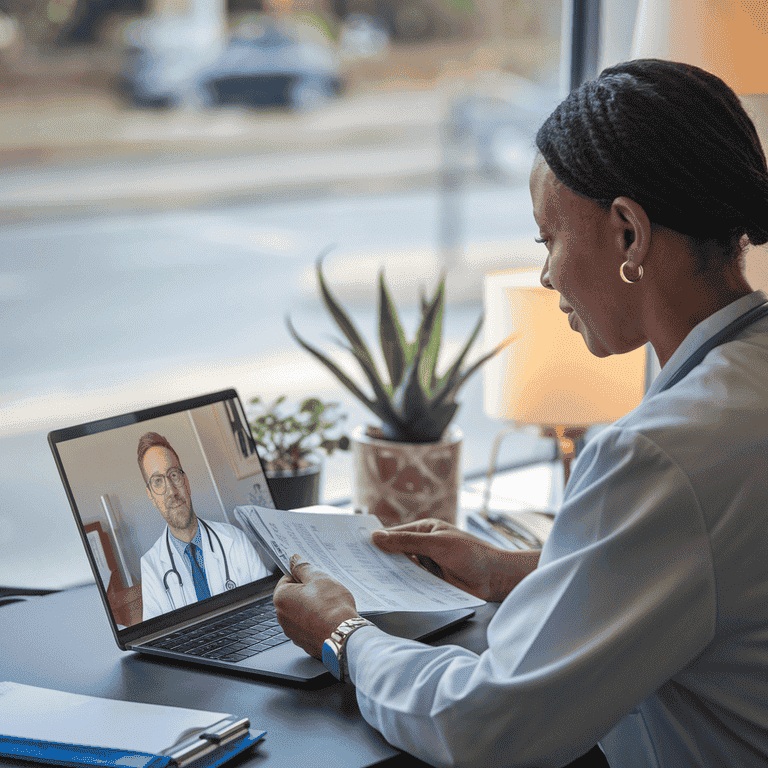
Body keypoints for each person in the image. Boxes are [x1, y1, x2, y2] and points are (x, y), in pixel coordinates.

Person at [272, 58, 768, 768]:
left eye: (548, 238)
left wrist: (341, 633)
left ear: (629, 234)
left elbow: (483, 726)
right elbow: (723, 574)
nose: (545, 276)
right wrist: (515, 571)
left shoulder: (661, 455)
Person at [138, 431, 271, 620]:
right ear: (151, 495)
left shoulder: (234, 539)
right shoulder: (151, 566)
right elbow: (155, 643)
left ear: (186, 482)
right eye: (158, 481)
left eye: (174, 475)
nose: (172, 491)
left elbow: (271, 605)